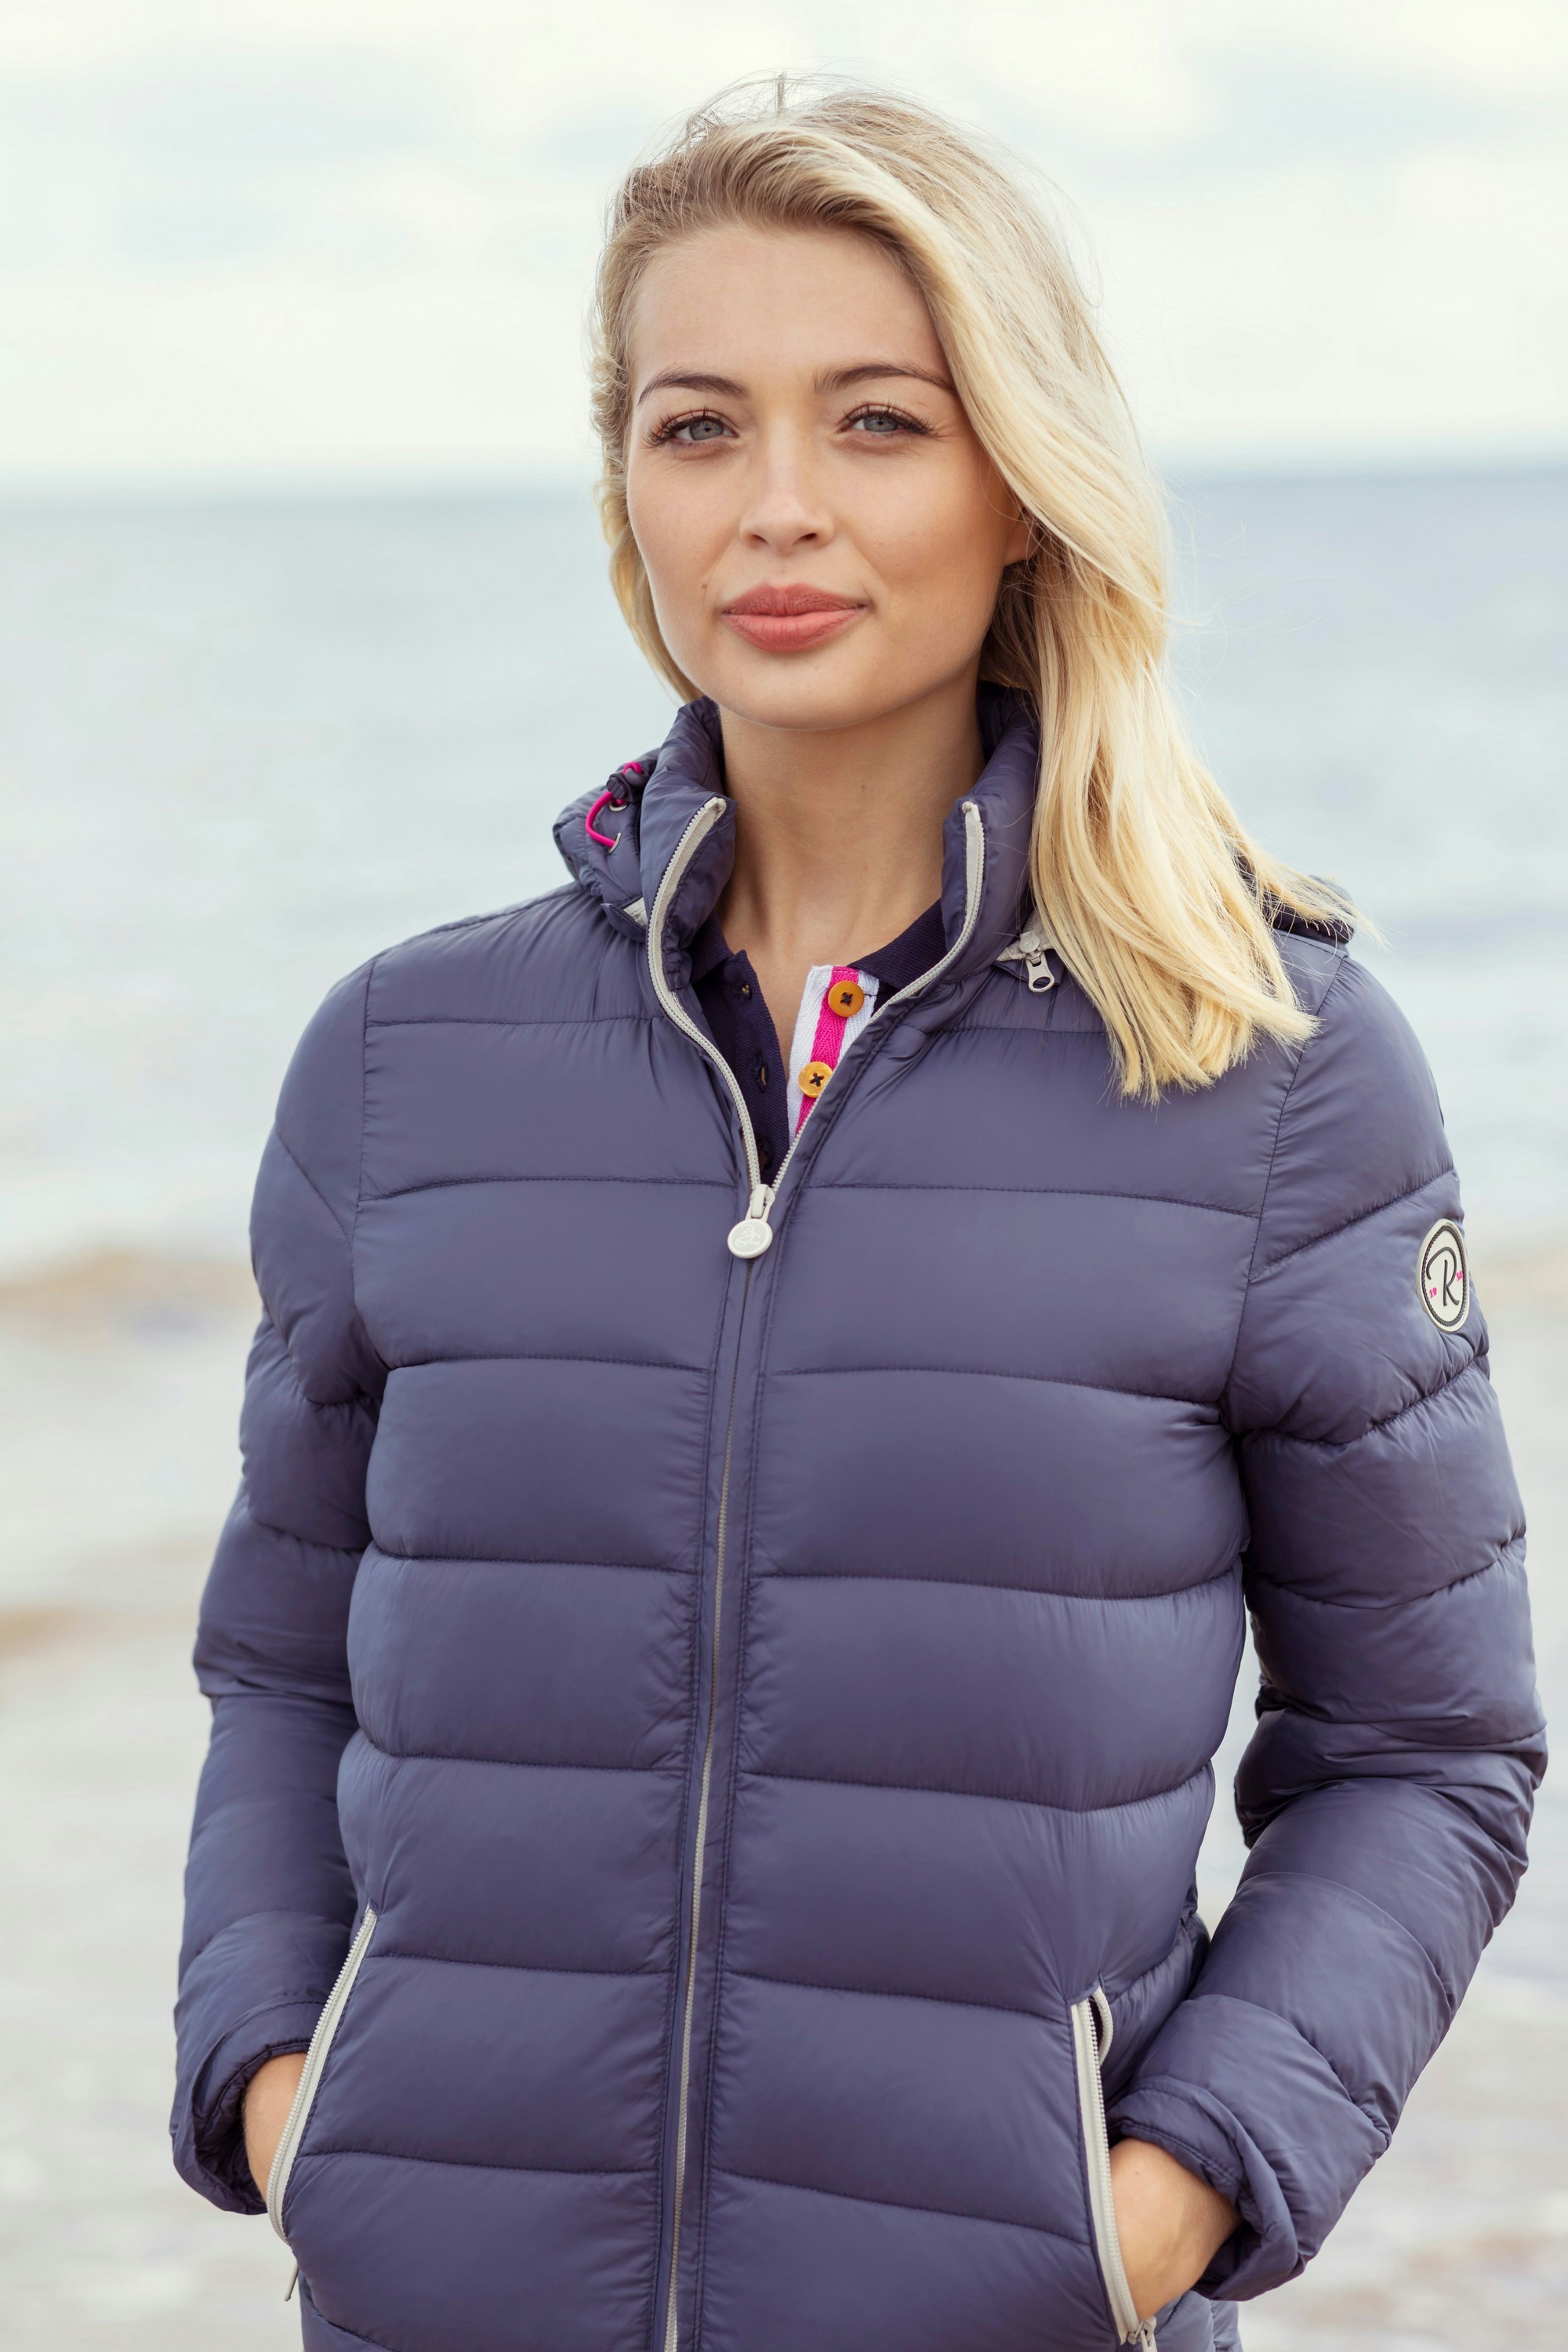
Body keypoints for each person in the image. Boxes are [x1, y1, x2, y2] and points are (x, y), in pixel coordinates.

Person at [171, 78, 1542, 2352]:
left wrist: (1160, 2211)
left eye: (880, 422)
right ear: (628, 490)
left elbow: (1426, 1754)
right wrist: (295, 2110)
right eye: (700, 427)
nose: (779, 509)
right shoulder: (406, 1060)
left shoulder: (1268, 1066)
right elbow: (278, 1665)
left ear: (1023, 481)